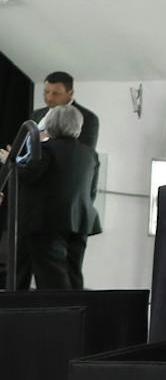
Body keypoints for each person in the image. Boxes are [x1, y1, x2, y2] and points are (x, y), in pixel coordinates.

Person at [15, 103, 97, 289]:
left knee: (52, 279)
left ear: (50, 123)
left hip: (47, 223)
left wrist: (10, 162)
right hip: (80, 222)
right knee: (73, 275)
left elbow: (29, 176)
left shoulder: (46, 150)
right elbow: (91, 190)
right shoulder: (90, 154)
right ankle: (77, 314)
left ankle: (58, 317)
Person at [37, 72, 97, 150]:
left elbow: (86, 154)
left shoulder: (88, 118)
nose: (49, 98)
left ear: (70, 93)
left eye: (56, 93)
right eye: (46, 92)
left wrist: (46, 139)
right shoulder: (36, 114)